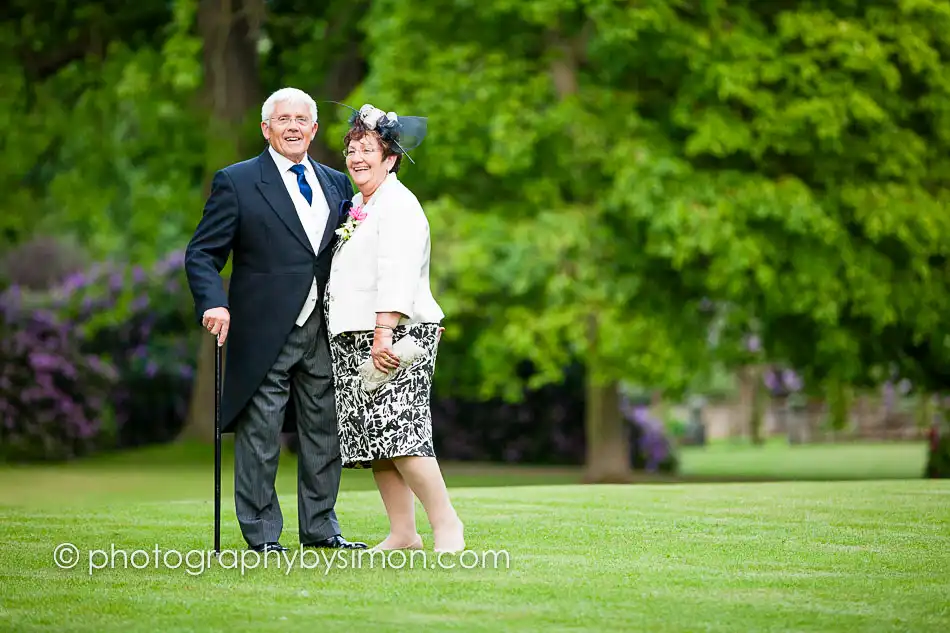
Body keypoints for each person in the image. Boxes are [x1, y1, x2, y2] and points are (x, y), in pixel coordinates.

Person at [184, 87, 366, 553]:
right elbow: (203, 253)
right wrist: (212, 302)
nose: (292, 127)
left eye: (301, 120)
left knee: (326, 433)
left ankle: (322, 528)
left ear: (314, 129)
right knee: (261, 434)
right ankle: (263, 534)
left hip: (326, 327)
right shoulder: (238, 181)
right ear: (266, 128)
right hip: (263, 329)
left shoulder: (336, 183)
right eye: (282, 119)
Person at [324, 103, 465, 553]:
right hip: (355, 337)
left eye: (369, 149)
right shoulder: (363, 205)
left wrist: (383, 333)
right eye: (352, 148)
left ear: (391, 159)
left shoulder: (399, 205)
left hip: (391, 336)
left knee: (402, 434)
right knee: (375, 441)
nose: (357, 157)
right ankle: (404, 533)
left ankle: (447, 524)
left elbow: (396, 272)